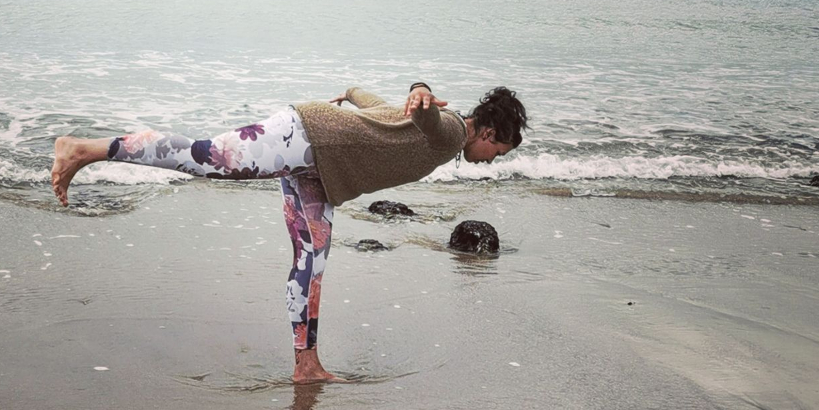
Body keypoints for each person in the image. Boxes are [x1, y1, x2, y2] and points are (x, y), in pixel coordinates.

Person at [50, 83, 528, 383]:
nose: (493, 161)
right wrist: (421, 91)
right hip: (305, 137)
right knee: (206, 158)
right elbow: (425, 115)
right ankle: (86, 149)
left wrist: (352, 92)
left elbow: (382, 107)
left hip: (320, 169)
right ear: (489, 134)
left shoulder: (442, 134)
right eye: (500, 152)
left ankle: (307, 365)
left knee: (312, 260)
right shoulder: (450, 132)